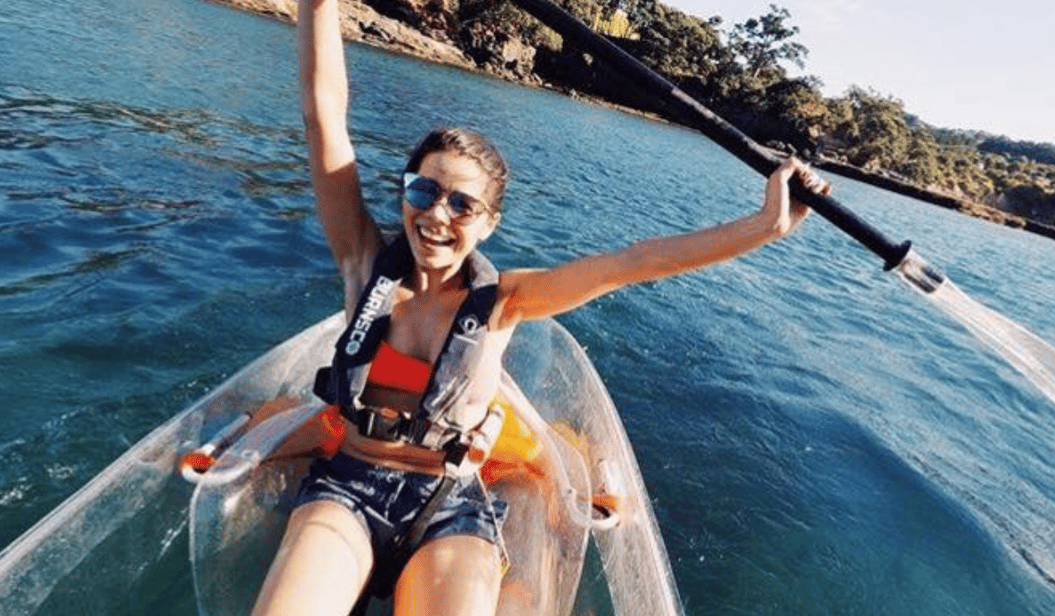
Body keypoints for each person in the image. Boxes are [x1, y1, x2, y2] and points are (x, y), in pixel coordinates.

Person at [250, 1, 832, 615]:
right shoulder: (362, 261)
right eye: (423, 191)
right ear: (405, 194)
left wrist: (766, 225)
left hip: (448, 508)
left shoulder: (505, 301)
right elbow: (324, 119)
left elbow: (634, 263)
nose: (436, 214)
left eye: (461, 205)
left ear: (489, 224)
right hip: (347, 488)